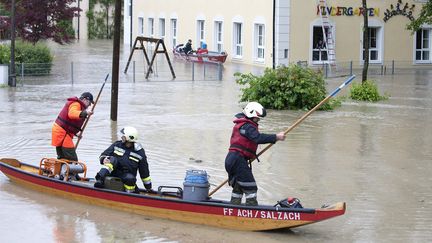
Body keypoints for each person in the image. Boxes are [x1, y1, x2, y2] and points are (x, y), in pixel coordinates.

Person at [225, 102, 285, 206]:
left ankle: (234, 206)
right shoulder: (247, 126)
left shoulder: (242, 125)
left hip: (233, 159)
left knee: (239, 186)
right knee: (251, 187)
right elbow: (258, 138)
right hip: (237, 160)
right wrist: (276, 137)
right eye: (257, 118)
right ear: (251, 115)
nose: (258, 121)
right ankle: (251, 209)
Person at [94, 126, 152, 193]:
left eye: (123, 136)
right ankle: (99, 180)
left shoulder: (140, 152)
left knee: (130, 178)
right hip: (112, 173)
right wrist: (103, 159)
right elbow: (103, 154)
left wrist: (148, 188)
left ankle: (130, 194)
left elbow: (144, 172)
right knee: (112, 159)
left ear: (128, 138)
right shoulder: (117, 144)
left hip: (127, 177)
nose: (122, 137)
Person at [52, 92, 94, 161]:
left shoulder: (79, 105)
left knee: (63, 157)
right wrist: (85, 112)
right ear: (85, 100)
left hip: (61, 132)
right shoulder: (76, 104)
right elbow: (71, 114)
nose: (89, 105)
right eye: (89, 103)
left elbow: (69, 124)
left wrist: (76, 134)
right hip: (62, 133)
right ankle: (70, 171)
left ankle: (61, 171)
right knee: (72, 159)